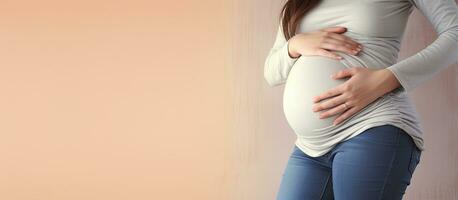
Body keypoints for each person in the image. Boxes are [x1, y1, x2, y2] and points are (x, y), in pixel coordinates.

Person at [263, 0, 458, 199]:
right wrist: (294, 44)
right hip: (309, 146)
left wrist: (388, 78)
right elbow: (271, 73)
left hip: (373, 126)